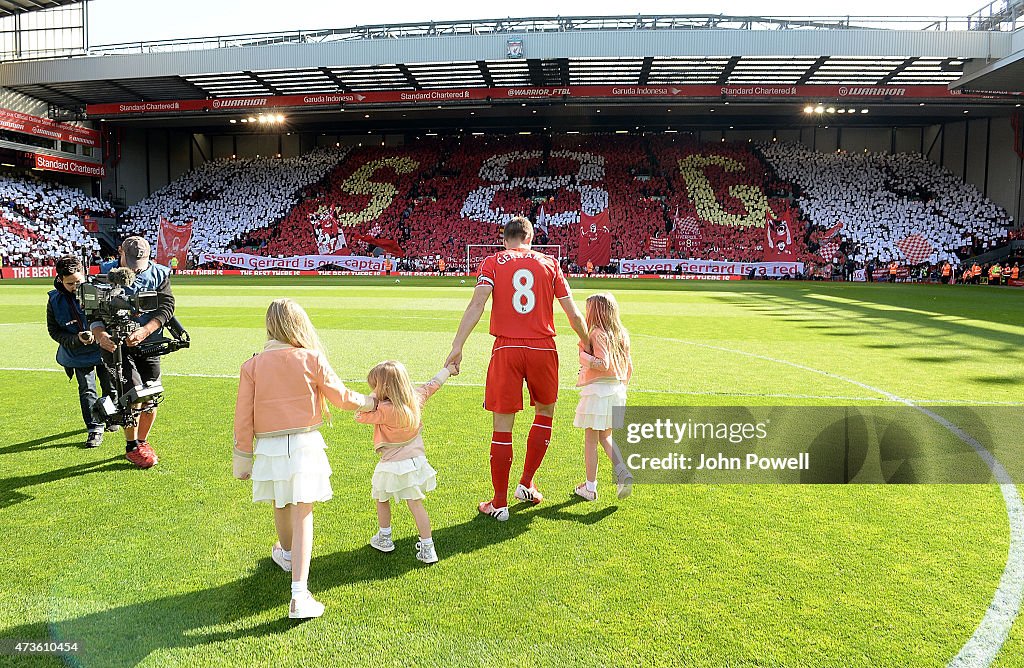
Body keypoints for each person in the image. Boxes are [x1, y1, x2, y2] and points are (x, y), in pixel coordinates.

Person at [232, 298, 375, 619]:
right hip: (304, 443)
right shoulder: (311, 358)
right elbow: (341, 398)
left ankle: (286, 555)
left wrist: (242, 455)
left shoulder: (251, 365)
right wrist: (369, 401)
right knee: (302, 513)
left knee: (282, 503)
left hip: (268, 447)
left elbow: (243, 417)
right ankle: (299, 594)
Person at [445, 216, 590, 521]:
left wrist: (457, 345)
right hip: (543, 348)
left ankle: (499, 504)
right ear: (531, 237)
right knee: (545, 414)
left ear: (503, 238)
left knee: (502, 427)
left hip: (507, 348)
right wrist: (588, 342)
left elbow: (477, 305)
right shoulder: (550, 263)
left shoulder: (493, 262)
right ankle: (525, 484)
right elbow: (573, 313)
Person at [355, 360, 457, 564]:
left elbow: (359, 415)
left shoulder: (383, 409)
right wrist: (448, 369)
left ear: (382, 387)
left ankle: (385, 537)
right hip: (415, 463)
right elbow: (433, 384)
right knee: (416, 505)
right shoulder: (415, 399)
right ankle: (427, 547)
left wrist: (374, 398)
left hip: (392, 465)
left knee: (382, 499)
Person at [91, 236, 175, 469]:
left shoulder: (160, 274)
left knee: (152, 395)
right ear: (120, 253)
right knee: (134, 395)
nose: (136, 269)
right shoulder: (104, 274)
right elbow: (92, 313)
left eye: (140, 264)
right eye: (131, 263)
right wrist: (100, 334)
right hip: (116, 346)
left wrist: (146, 330)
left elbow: (167, 307)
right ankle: (131, 447)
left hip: (148, 343)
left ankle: (142, 441)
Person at [46, 255, 117, 448]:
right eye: (70, 283)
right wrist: (77, 339)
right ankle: (94, 428)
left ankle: (111, 416)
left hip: (104, 347)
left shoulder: (101, 290)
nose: (76, 286)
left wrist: (102, 334)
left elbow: (114, 319)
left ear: (84, 274)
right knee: (87, 389)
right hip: (76, 353)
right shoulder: (54, 301)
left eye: (79, 281)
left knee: (110, 386)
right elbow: (54, 331)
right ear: (60, 279)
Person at [573, 293, 634, 502]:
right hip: (616, 390)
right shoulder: (621, 334)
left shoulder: (597, 333)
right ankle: (622, 472)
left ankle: (590, 487)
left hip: (598, 391)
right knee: (605, 436)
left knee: (591, 439)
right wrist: (621, 388)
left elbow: (603, 363)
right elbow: (629, 368)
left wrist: (583, 355)